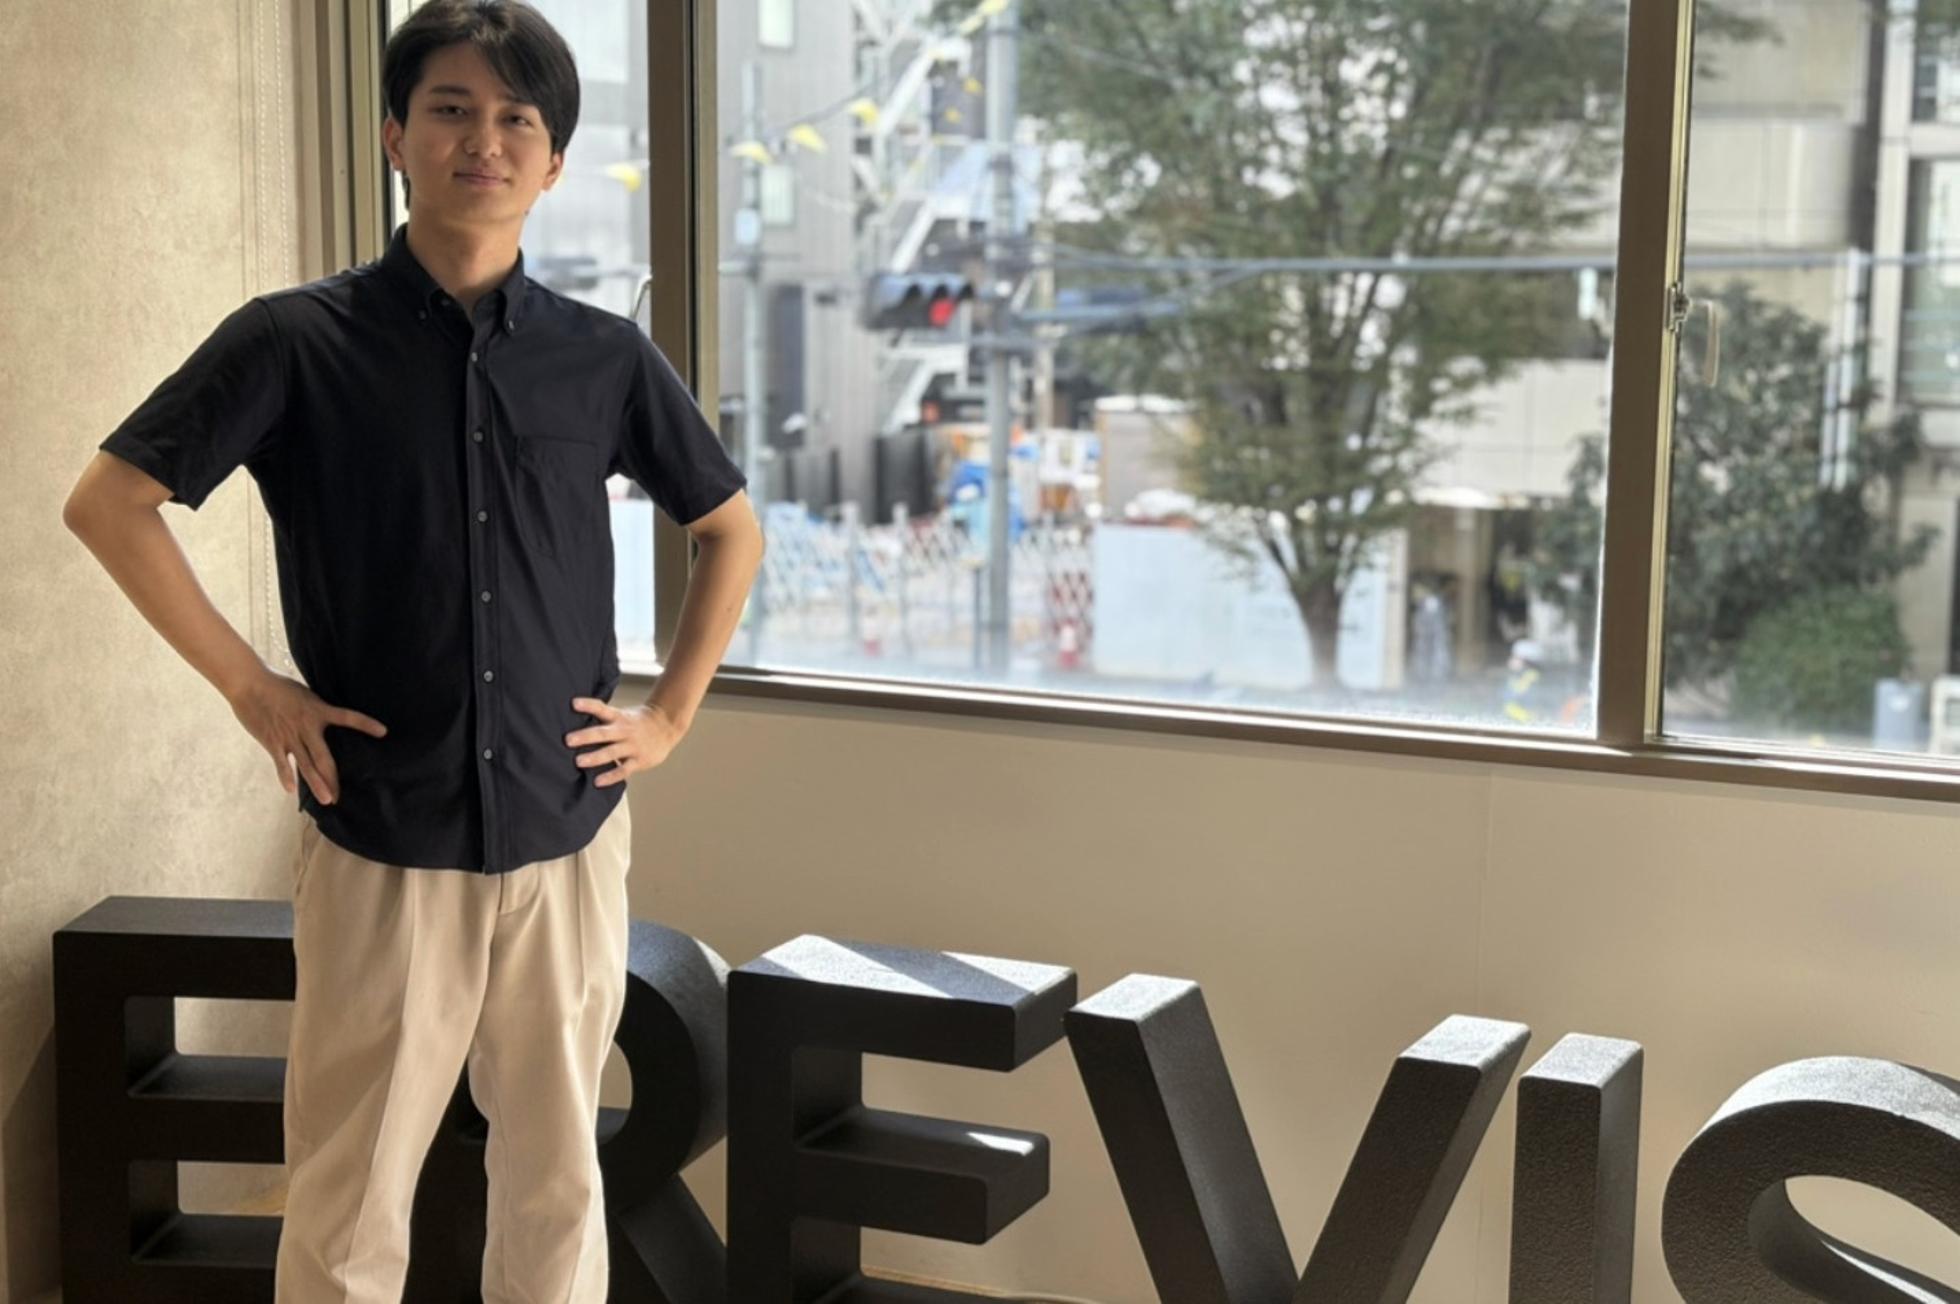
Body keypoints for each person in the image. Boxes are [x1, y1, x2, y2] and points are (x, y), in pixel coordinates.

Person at [58, 3, 764, 1300]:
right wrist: (251, 688)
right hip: (383, 827)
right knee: (350, 1191)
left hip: (565, 828)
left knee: (558, 1180)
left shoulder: (603, 357)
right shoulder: (293, 341)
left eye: (516, 119)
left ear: (553, 163)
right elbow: (111, 503)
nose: (482, 140)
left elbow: (729, 530)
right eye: (449, 109)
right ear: (394, 135)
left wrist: (668, 717)